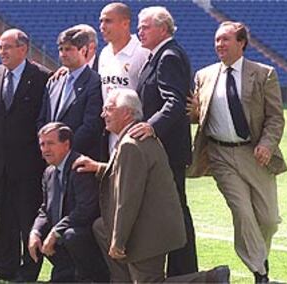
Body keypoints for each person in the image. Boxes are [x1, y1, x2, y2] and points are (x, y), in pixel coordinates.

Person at [73, 89, 230, 283]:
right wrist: (99, 167)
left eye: (109, 109)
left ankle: (211, 279)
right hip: (156, 222)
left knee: (150, 282)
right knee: (101, 227)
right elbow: (130, 174)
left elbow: (127, 198)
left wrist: (118, 240)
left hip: (149, 228)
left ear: (127, 113)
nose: (103, 114)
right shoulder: (133, 138)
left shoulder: (130, 144)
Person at [187, 21, 287, 283]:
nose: (219, 44)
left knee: (268, 219)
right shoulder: (204, 76)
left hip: (255, 154)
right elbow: (199, 116)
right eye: (217, 39)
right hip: (220, 155)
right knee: (242, 211)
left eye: (226, 39)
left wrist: (267, 143)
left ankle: (259, 257)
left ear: (241, 43)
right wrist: (195, 114)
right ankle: (259, 272)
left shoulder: (264, 74)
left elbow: (275, 118)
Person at [128, 6, 198, 276]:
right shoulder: (156, 55)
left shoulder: (168, 55)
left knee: (176, 210)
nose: (140, 30)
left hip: (168, 151)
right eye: (139, 25)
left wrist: (150, 126)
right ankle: (181, 271)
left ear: (163, 28)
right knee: (172, 210)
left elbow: (174, 102)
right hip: (162, 150)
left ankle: (184, 272)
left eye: (145, 26)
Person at [0, 29, 50, 282]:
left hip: (29, 163)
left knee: (28, 217)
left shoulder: (42, 77)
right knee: (2, 216)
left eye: (7, 47)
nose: (2, 52)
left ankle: (29, 269)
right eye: (0, 48)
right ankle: (4, 267)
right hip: (0, 162)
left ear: (23, 49)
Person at [28, 122, 109, 282]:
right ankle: (65, 273)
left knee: (71, 236)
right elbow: (45, 209)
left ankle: (90, 278)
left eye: (50, 143)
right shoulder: (49, 172)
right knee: (37, 234)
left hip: (84, 233)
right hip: (64, 233)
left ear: (66, 144)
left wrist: (55, 232)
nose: (45, 149)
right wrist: (35, 232)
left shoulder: (80, 167)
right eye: (42, 144)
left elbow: (85, 210)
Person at [37, 27, 104, 160]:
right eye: (61, 49)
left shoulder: (95, 82)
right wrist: (48, 145)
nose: (63, 54)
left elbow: (91, 125)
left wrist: (64, 150)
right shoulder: (54, 81)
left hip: (79, 160)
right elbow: (42, 119)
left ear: (83, 50)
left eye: (68, 49)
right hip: (52, 161)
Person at [98, 2, 149, 159]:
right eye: (101, 21)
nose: (102, 26)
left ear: (125, 23)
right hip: (111, 129)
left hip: (135, 129)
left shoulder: (142, 51)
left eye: (108, 21)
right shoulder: (105, 53)